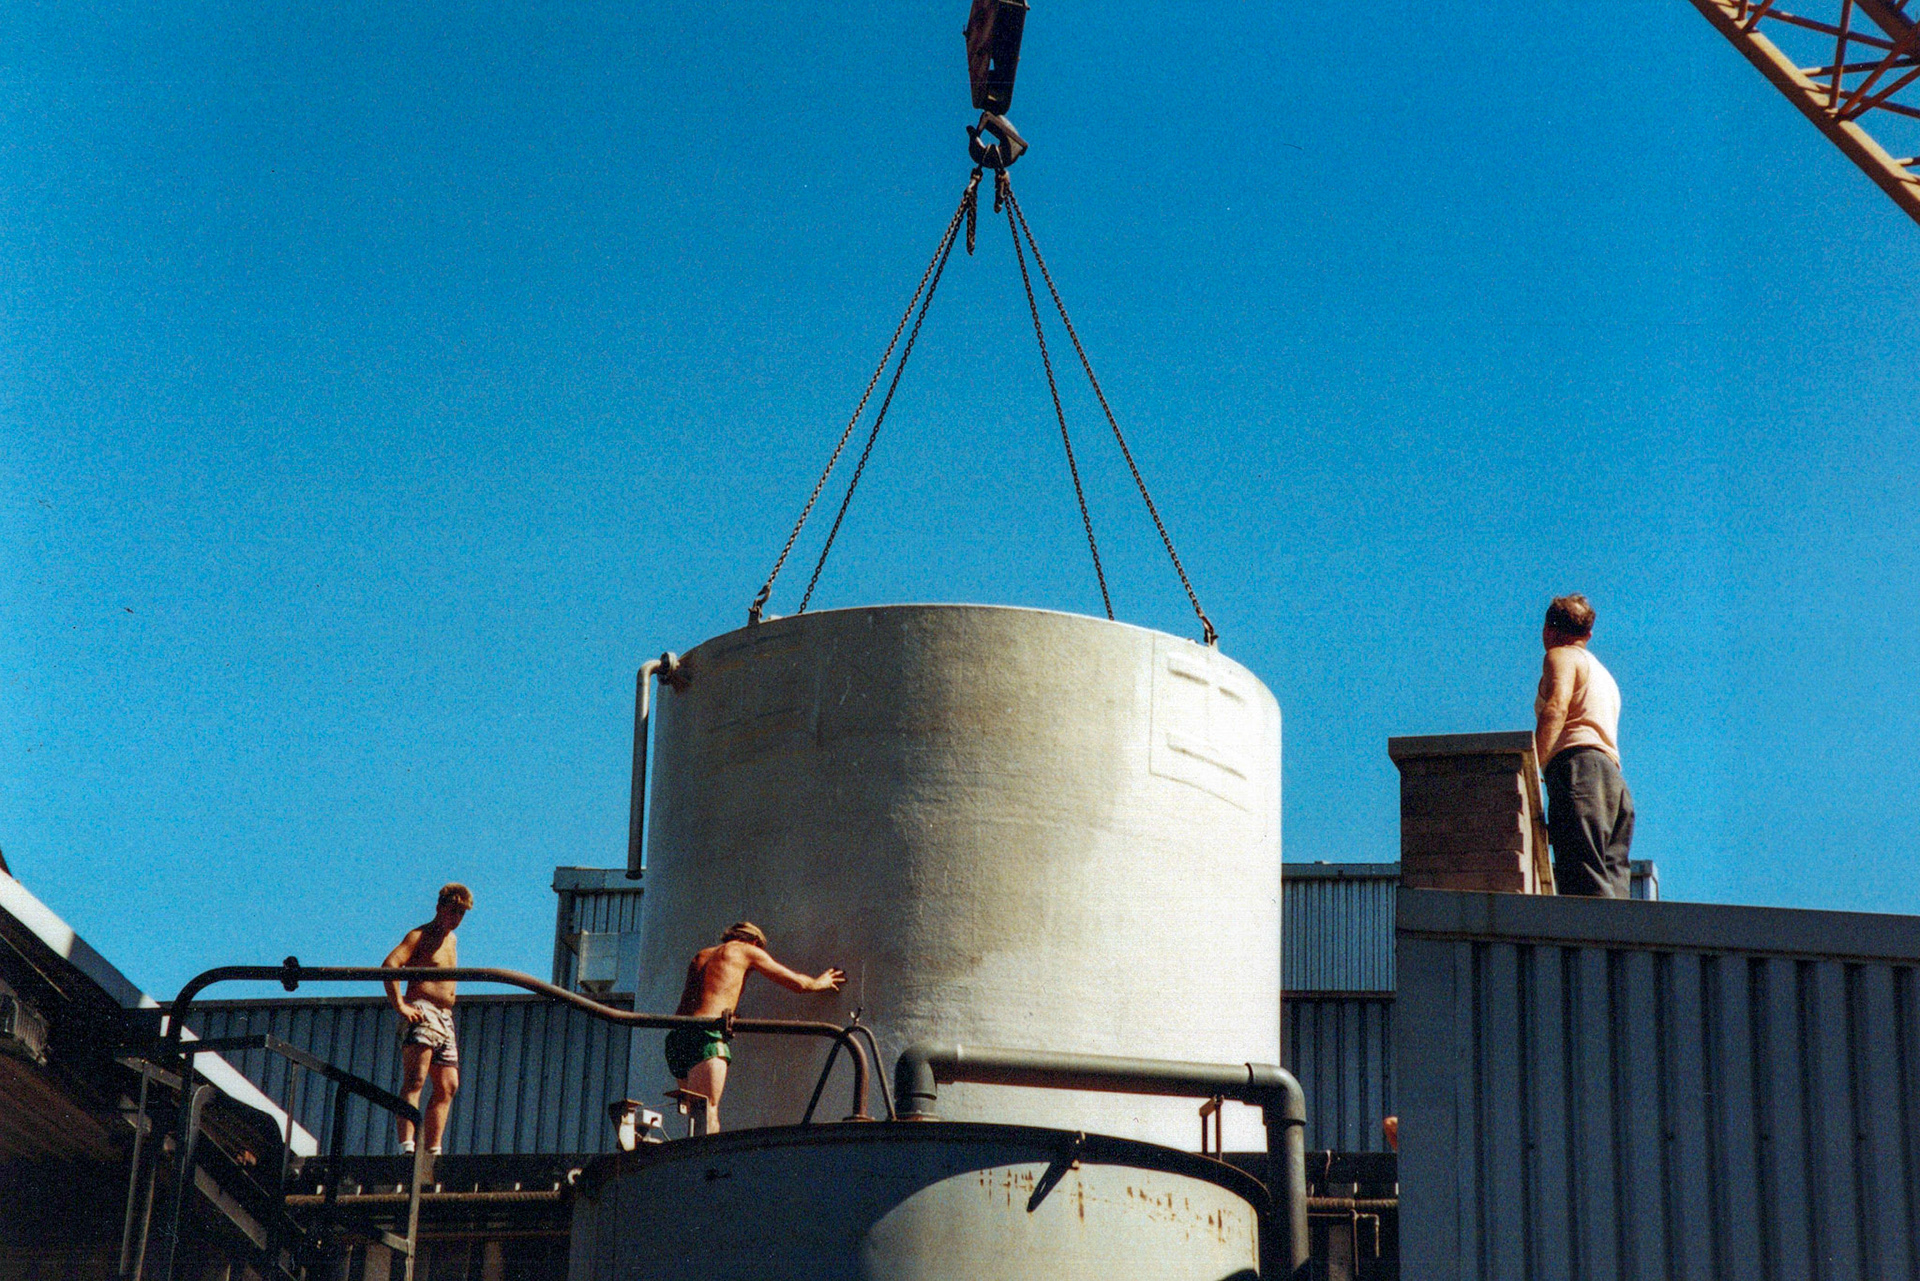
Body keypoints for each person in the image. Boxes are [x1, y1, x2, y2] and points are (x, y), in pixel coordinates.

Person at [665, 921, 845, 1132]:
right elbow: (797, 984)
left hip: (677, 1035)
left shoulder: (702, 954)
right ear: (755, 942)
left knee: (695, 1115)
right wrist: (820, 982)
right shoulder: (747, 950)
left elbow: (705, 996)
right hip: (705, 1035)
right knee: (708, 1111)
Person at [1534, 595, 1635, 898]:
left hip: (1579, 772)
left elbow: (1556, 708)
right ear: (1588, 635)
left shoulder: (1561, 656)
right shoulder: (1604, 676)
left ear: (1548, 630)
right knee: (1613, 889)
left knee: (1582, 884)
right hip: (1614, 785)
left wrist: (1532, 768)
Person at [383, 883, 472, 1155]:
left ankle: (433, 1150)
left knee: (448, 1085)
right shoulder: (420, 935)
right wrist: (400, 1004)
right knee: (416, 1079)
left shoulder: (452, 940)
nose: (456, 918)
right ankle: (407, 1147)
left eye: (461, 913)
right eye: (453, 910)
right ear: (439, 907)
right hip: (423, 1010)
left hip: (445, 1018)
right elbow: (390, 965)